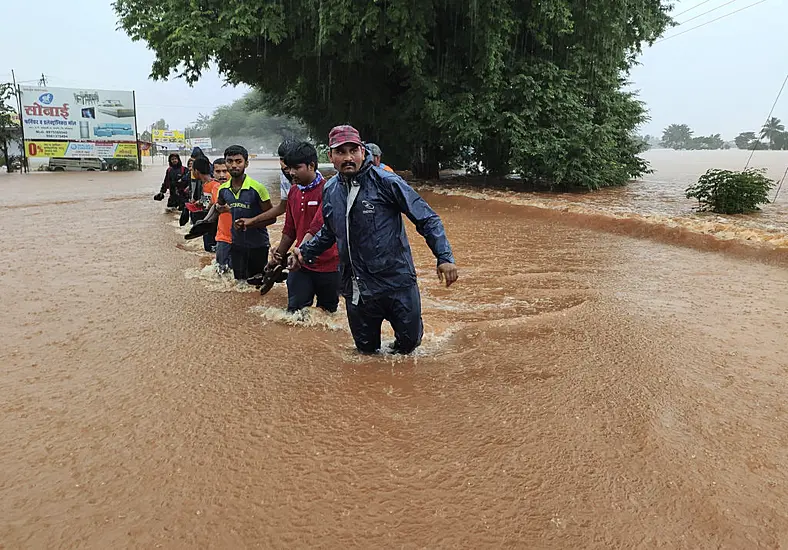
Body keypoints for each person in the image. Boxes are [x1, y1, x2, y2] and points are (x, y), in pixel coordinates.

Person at [292, 125, 458, 355]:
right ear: (330, 156)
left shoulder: (387, 181)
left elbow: (427, 218)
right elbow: (330, 232)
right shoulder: (330, 189)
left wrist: (444, 257)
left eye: (353, 150)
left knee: (409, 346)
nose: (348, 158)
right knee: (365, 353)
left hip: (396, 282)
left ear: (362, 151)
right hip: (357, 287)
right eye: (340, 152)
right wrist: (305, 252)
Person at [267, 142, 340, 313]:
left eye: (296, 168)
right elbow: (289, 230)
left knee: (328, 314)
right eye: (289, 168)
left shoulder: (330, 190)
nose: (291, 173)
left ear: (312, 165)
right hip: (301, 265)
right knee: (295, 313)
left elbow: (317, 226)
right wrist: (277, 257)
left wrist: (297, 251)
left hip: (329, 265)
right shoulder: (293, 192)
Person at [216, 145, 273, 281]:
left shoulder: (257, 188)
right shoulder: (223, 190)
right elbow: (218, 207)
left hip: (258, 246)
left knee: (257, 285)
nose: (234, 165)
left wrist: (250, 224)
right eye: (230, 161)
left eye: (238, 161)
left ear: (246, 163)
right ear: (225, 163)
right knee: (239, 284)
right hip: (236, 244)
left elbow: (272, 218)